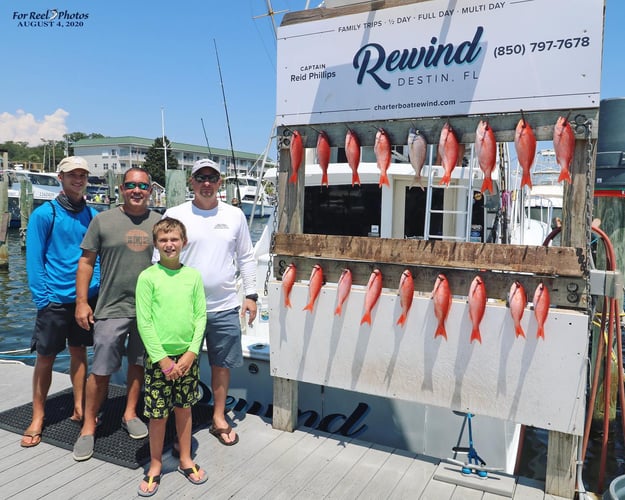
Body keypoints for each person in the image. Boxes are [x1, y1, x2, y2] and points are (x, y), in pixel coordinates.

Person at [162, 158, 257, 447]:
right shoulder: (175, 213)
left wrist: (251, 295)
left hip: (225, 305)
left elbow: (246, 257)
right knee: (181, 366)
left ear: (220, 183)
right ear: (191, 182)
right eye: (200, 177)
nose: (206, 183)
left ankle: (218, 417)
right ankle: (181, 422)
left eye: (212, 178)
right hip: (183, 308)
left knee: (222, 365)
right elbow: (162, 259)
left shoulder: (235, 215)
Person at [72, 167, 162, 461]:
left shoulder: (160, 223)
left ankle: (130, 413)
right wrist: (82, 303)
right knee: (101, 368)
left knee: (138, 363)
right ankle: (88, 426)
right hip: (110, 307)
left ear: (150, 190)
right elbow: (86, 263)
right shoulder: (103, 220)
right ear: (122, 189)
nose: (137, 190)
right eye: (131, 185)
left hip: (147, 310)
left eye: (143, 186)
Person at [22, 156, 100, 447]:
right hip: (53, 299)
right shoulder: (46, 214)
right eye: (72, 175)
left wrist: (95, 287)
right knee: (45, 357)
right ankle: (38, 416)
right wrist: (42, 299)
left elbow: (97, 256)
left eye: (82, 175)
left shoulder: (92, 215)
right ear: (60, 177)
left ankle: (79, 406)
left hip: (84, 300)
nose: (78, 180)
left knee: (79, 352)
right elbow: (34, 259)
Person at [136, 217, 208, 496]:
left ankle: (186, 458)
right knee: (157, 414)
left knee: (185, 408)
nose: (169, 244)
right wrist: (163, 360)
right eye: (164, 240)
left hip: (187, 357)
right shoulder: (147, 277)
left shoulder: (193, 277)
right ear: (156, 244)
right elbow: (145, 322)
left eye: (174, 239)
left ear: (184, 242)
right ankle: (155, 464)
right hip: (159, 360)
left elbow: (201, 316)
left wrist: (191, 352)